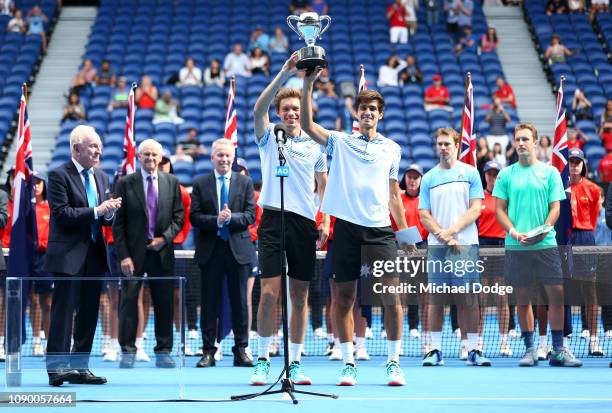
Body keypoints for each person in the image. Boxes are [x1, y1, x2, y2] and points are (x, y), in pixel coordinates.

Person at [302, 68, 412, 386]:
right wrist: (308, 84)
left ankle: (393, 362)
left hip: (379, 231)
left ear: (380, 114)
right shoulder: (340, 142)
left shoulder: (393, 149)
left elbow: (394, 195)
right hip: (346, 230)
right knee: (344, 299)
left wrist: (406, 234)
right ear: (357, 113)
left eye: (372, 109)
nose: (367, 113)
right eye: (362, 109)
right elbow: (308, 126)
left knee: (392, 298)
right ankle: (349, 362)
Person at [249, 53, 329, 386]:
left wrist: (323, 219)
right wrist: (285, 72)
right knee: (269, 294)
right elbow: (258, 110)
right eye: (286, 109)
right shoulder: (269, 140)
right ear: (280, 114)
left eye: (296, 109)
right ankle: (263, 358)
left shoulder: (316, 145)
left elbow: (323, 187)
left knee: (300, 295)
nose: (291, 113)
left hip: (304, 223)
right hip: (272, 219)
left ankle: (294, 362)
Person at [493, 123, 582, 367]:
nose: (521, 143)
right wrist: (513, 231)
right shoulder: (505, 174)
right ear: (514, 143)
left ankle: (558, 351)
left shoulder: (551, 173)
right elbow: (499, 210)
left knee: (557, 294)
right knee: (522, 298)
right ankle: (530, 349)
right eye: (517, 139)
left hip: (547, 245)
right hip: (516, 246)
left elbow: (555, 208)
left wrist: (543, 230)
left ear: (535, 142)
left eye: (525, 139)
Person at [44, 125, 122, 386]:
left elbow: (104, 219)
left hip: (95, 254)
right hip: (68, 255)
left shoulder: (101, 177)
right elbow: (62, 215)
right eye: (92, 146)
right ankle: (56, 369)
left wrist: (109, 212)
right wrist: (98, 211)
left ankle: (79, 368)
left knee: (89, 312)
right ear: (76, 148)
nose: (98, 151)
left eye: (99, 146)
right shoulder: (57, 175)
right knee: (63, 313)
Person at [419, 127, 491, 367]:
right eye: (439, 144)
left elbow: (475, 209)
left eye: (447, 144)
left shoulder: (471, 173)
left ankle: (473, 349)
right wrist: (445, 238)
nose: (443, 148)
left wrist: (451, 232)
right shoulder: (428, 177)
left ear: (456, 145)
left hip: (466, 246)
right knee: (436, 300)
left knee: (468, 299)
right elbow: (424, 214)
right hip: (438, 248)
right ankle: (436, 350)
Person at [112, 139, 184, 369]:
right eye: (146, 155)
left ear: (161, 158)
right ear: (138, 157)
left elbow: (179, 217)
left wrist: (164, 239)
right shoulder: (125, 183)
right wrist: (124, 255)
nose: (150, 159)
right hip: (132, 255)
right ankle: (128, 351)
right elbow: (118, 224)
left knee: (164, 303)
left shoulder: (172, 182)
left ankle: (163, 351)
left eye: (154, 155)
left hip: (162, 253)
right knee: (129, 302)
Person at [190, 139, 256, 368]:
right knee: (209, 303)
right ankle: (208, 351)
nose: (224, 159)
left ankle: (241, 351)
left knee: (240, 303)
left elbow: (250, 216)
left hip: (239, 251)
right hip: (211, 251)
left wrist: (231, 218)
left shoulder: (245, 182)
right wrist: (216, 221)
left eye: (228, 156)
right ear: (212, 158)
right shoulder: (200, 183)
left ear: (233, 158)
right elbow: (195, 217)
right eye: (220, 155)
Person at [567, 148, 604, 356]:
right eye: (571, 161)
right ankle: (561, 339)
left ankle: (594, 339)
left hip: (585, 237)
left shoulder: (593, 189)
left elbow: (593, 216)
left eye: (577, 162)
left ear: (583, 165)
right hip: (565, 239)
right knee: (561, 289)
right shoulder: (560, 187)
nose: (574, 165)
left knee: (590, 290)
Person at [477, 161, 512, 356]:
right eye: (489, 174)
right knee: (480, 297)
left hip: (501, 247)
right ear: (485, 176)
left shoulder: (507, 197)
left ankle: (504, 342)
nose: (492, 177)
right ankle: (478, 341)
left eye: (495, 174)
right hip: (482, 246)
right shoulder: (477, 197)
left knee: (501, 297)